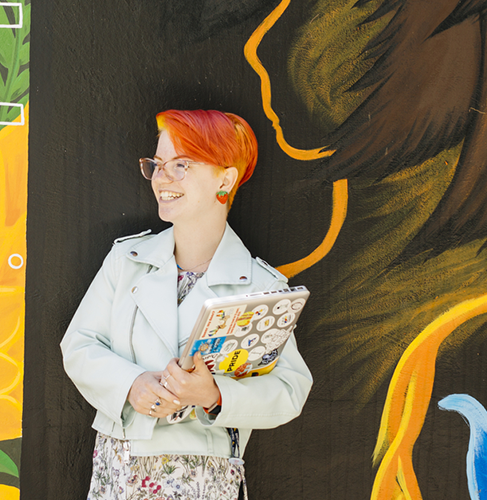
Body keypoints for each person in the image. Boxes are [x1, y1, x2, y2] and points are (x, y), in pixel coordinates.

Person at [61, 109, 313, 499]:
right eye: (158, 164)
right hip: (119, 470)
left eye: (182, 165)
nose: (163, 178)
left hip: (204, 477)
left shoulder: (263, 287)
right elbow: (78, 346)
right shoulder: (126, 261)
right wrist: (131, 384)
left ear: (225, 179)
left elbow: (290, 390)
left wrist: (213, 396)